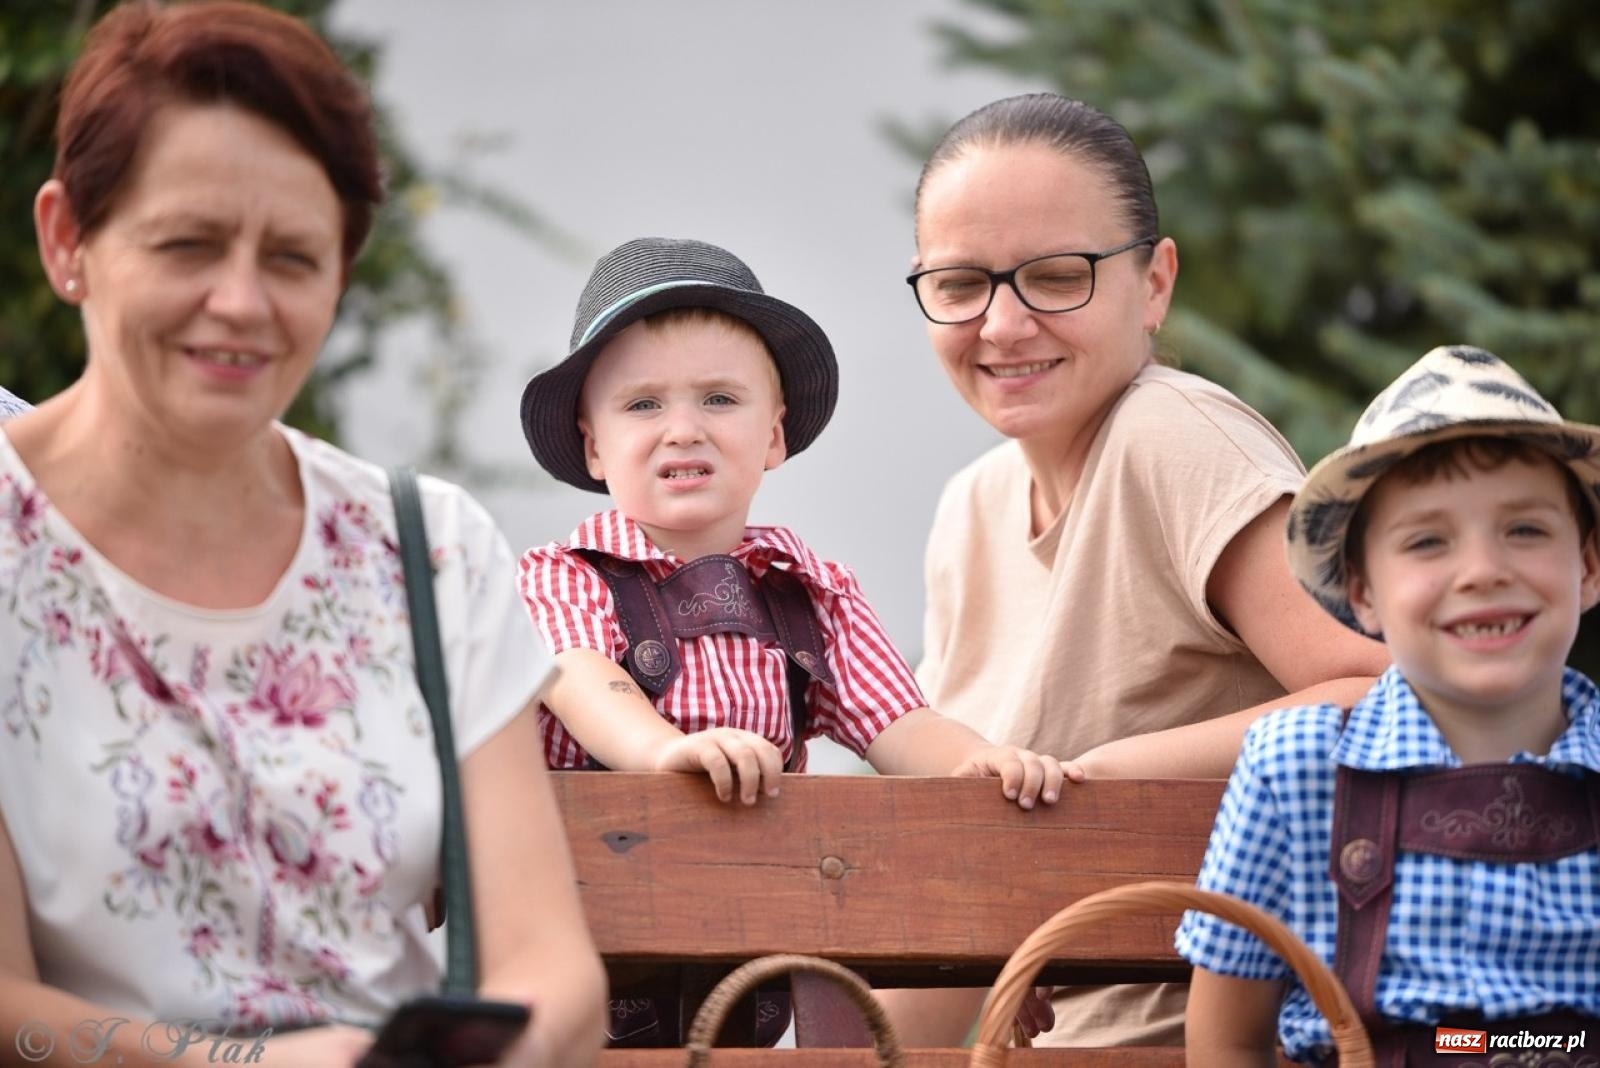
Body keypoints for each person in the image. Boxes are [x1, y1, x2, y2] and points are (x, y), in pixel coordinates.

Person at [0, 3, 605, 1065]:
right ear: (68, 241)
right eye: (188, 243)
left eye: (292, 257)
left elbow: (551, 969)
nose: (240, 302)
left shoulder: (431, 550)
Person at [884, 92, 1390, 1047]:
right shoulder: (970, 508)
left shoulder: (1172, 438)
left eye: (1057, 276)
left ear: (1154, 284)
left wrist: (1103, 781)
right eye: (959, 285)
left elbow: (1384, 693)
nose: (1001, 325)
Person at [517, 236, 1066, 1046]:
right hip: (589, 935)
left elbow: (898, 725)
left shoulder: (811, 593)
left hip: (749, 935)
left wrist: (971, 762)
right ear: (594, 446)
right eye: (642, 406)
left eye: (719, 400)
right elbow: (581, 674)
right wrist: (663, 752)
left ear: (773, 436)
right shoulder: (565, 576)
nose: (682, 431)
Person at [1178, 345, 1600, 1065]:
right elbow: (1227, 1039)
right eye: (1428, 541)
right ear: (1363, 593)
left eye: (1525, 530)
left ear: (1588, 567)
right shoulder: (1298, 768)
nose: (1483, 571)